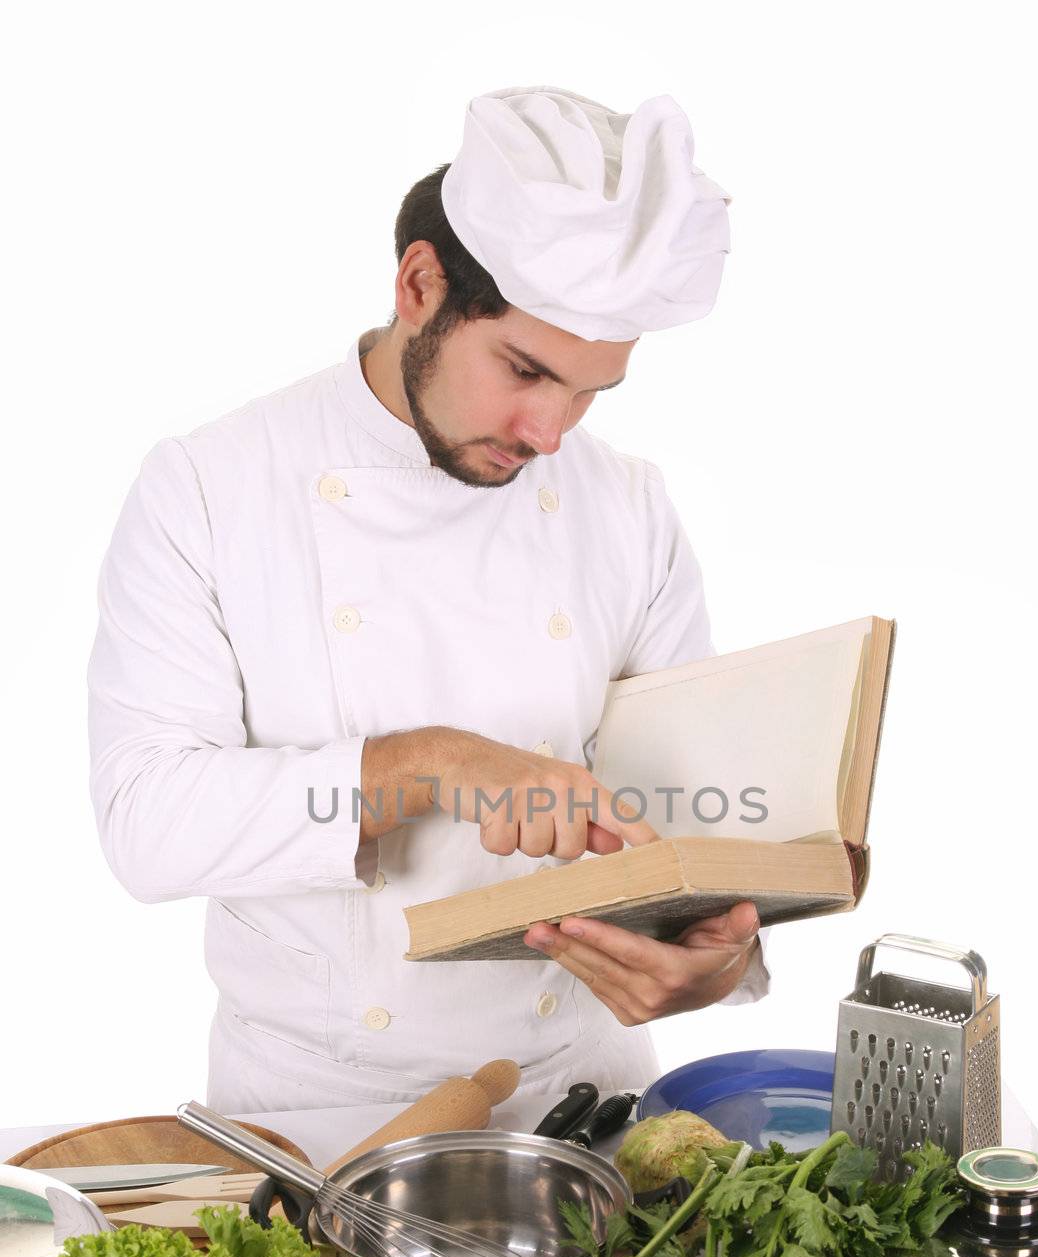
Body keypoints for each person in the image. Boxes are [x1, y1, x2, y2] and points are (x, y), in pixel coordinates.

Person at [88, 86, 771, 1115]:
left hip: (584, 1104)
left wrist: (709, 955)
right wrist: (436, 764)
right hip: (321, 1120)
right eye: (524, 369)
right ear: (419, 285)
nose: (550, 431)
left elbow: (678, 816)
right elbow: (146, 822)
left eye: (590, 393)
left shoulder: (624, 505)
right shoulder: (212, 487)